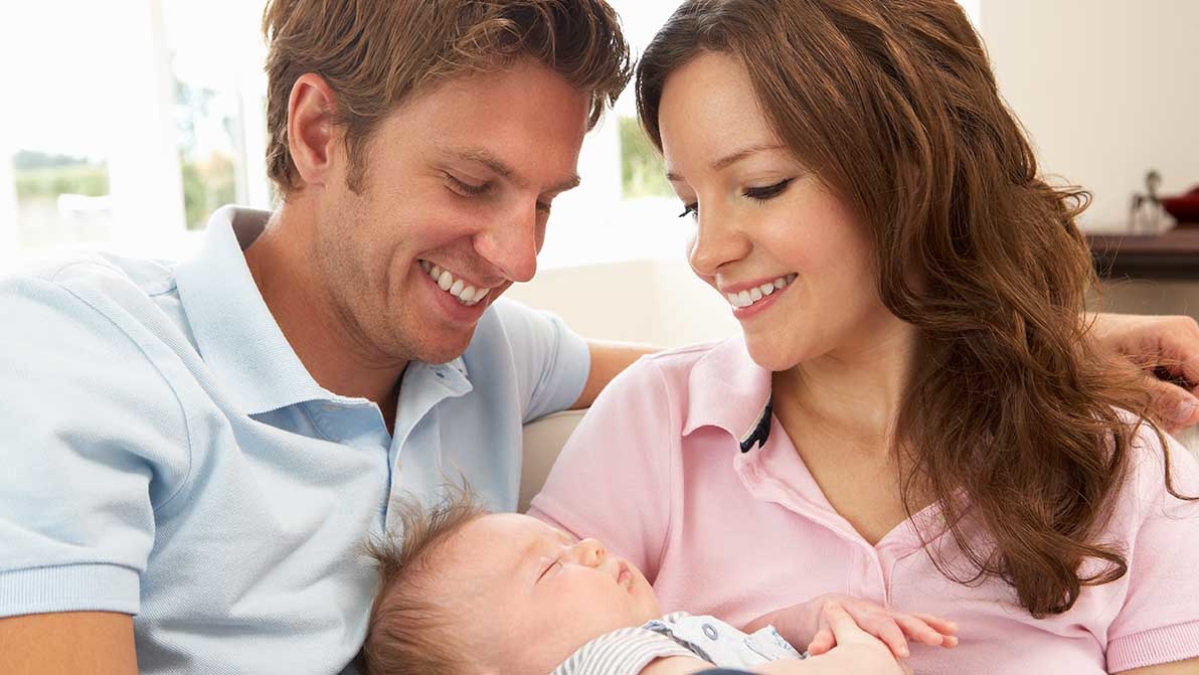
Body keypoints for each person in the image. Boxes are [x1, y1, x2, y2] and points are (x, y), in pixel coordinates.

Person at [0, 1, 1194, 673]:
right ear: (318, 132)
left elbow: (706, 369)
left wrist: (1041, 344)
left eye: (548, 202)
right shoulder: (73, 356)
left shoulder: (480, 354)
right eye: (472, 181)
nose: (519, 259)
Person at [529, 2, 1199, 675]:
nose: (706, 253)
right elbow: (497, 648)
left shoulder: (1125, 469)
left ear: (912, 171)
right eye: (691, 204)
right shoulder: (653, 425)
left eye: (761, 187)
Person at [359, 493, 957, 675]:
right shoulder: (608, 661)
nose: (589, 547)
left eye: (567, 545)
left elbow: (731, 657)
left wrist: (811, 620)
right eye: (550, 566)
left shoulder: (652, 644)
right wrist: (861, 656)